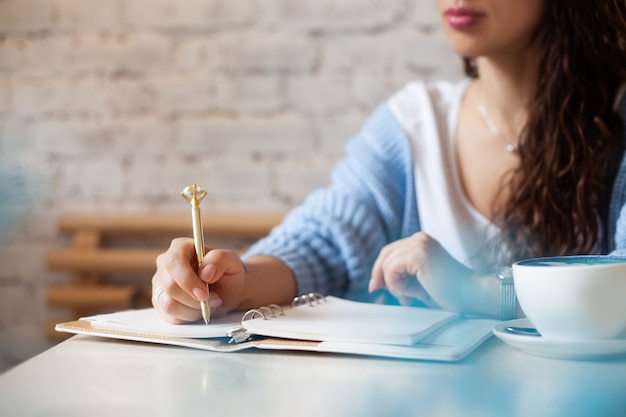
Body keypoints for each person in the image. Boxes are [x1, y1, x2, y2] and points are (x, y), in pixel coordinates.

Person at [152, 0, 626, 324]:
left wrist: (481, 294)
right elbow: (326, 244)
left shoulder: (617, 124)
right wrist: (234, 283)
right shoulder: (414, 125)